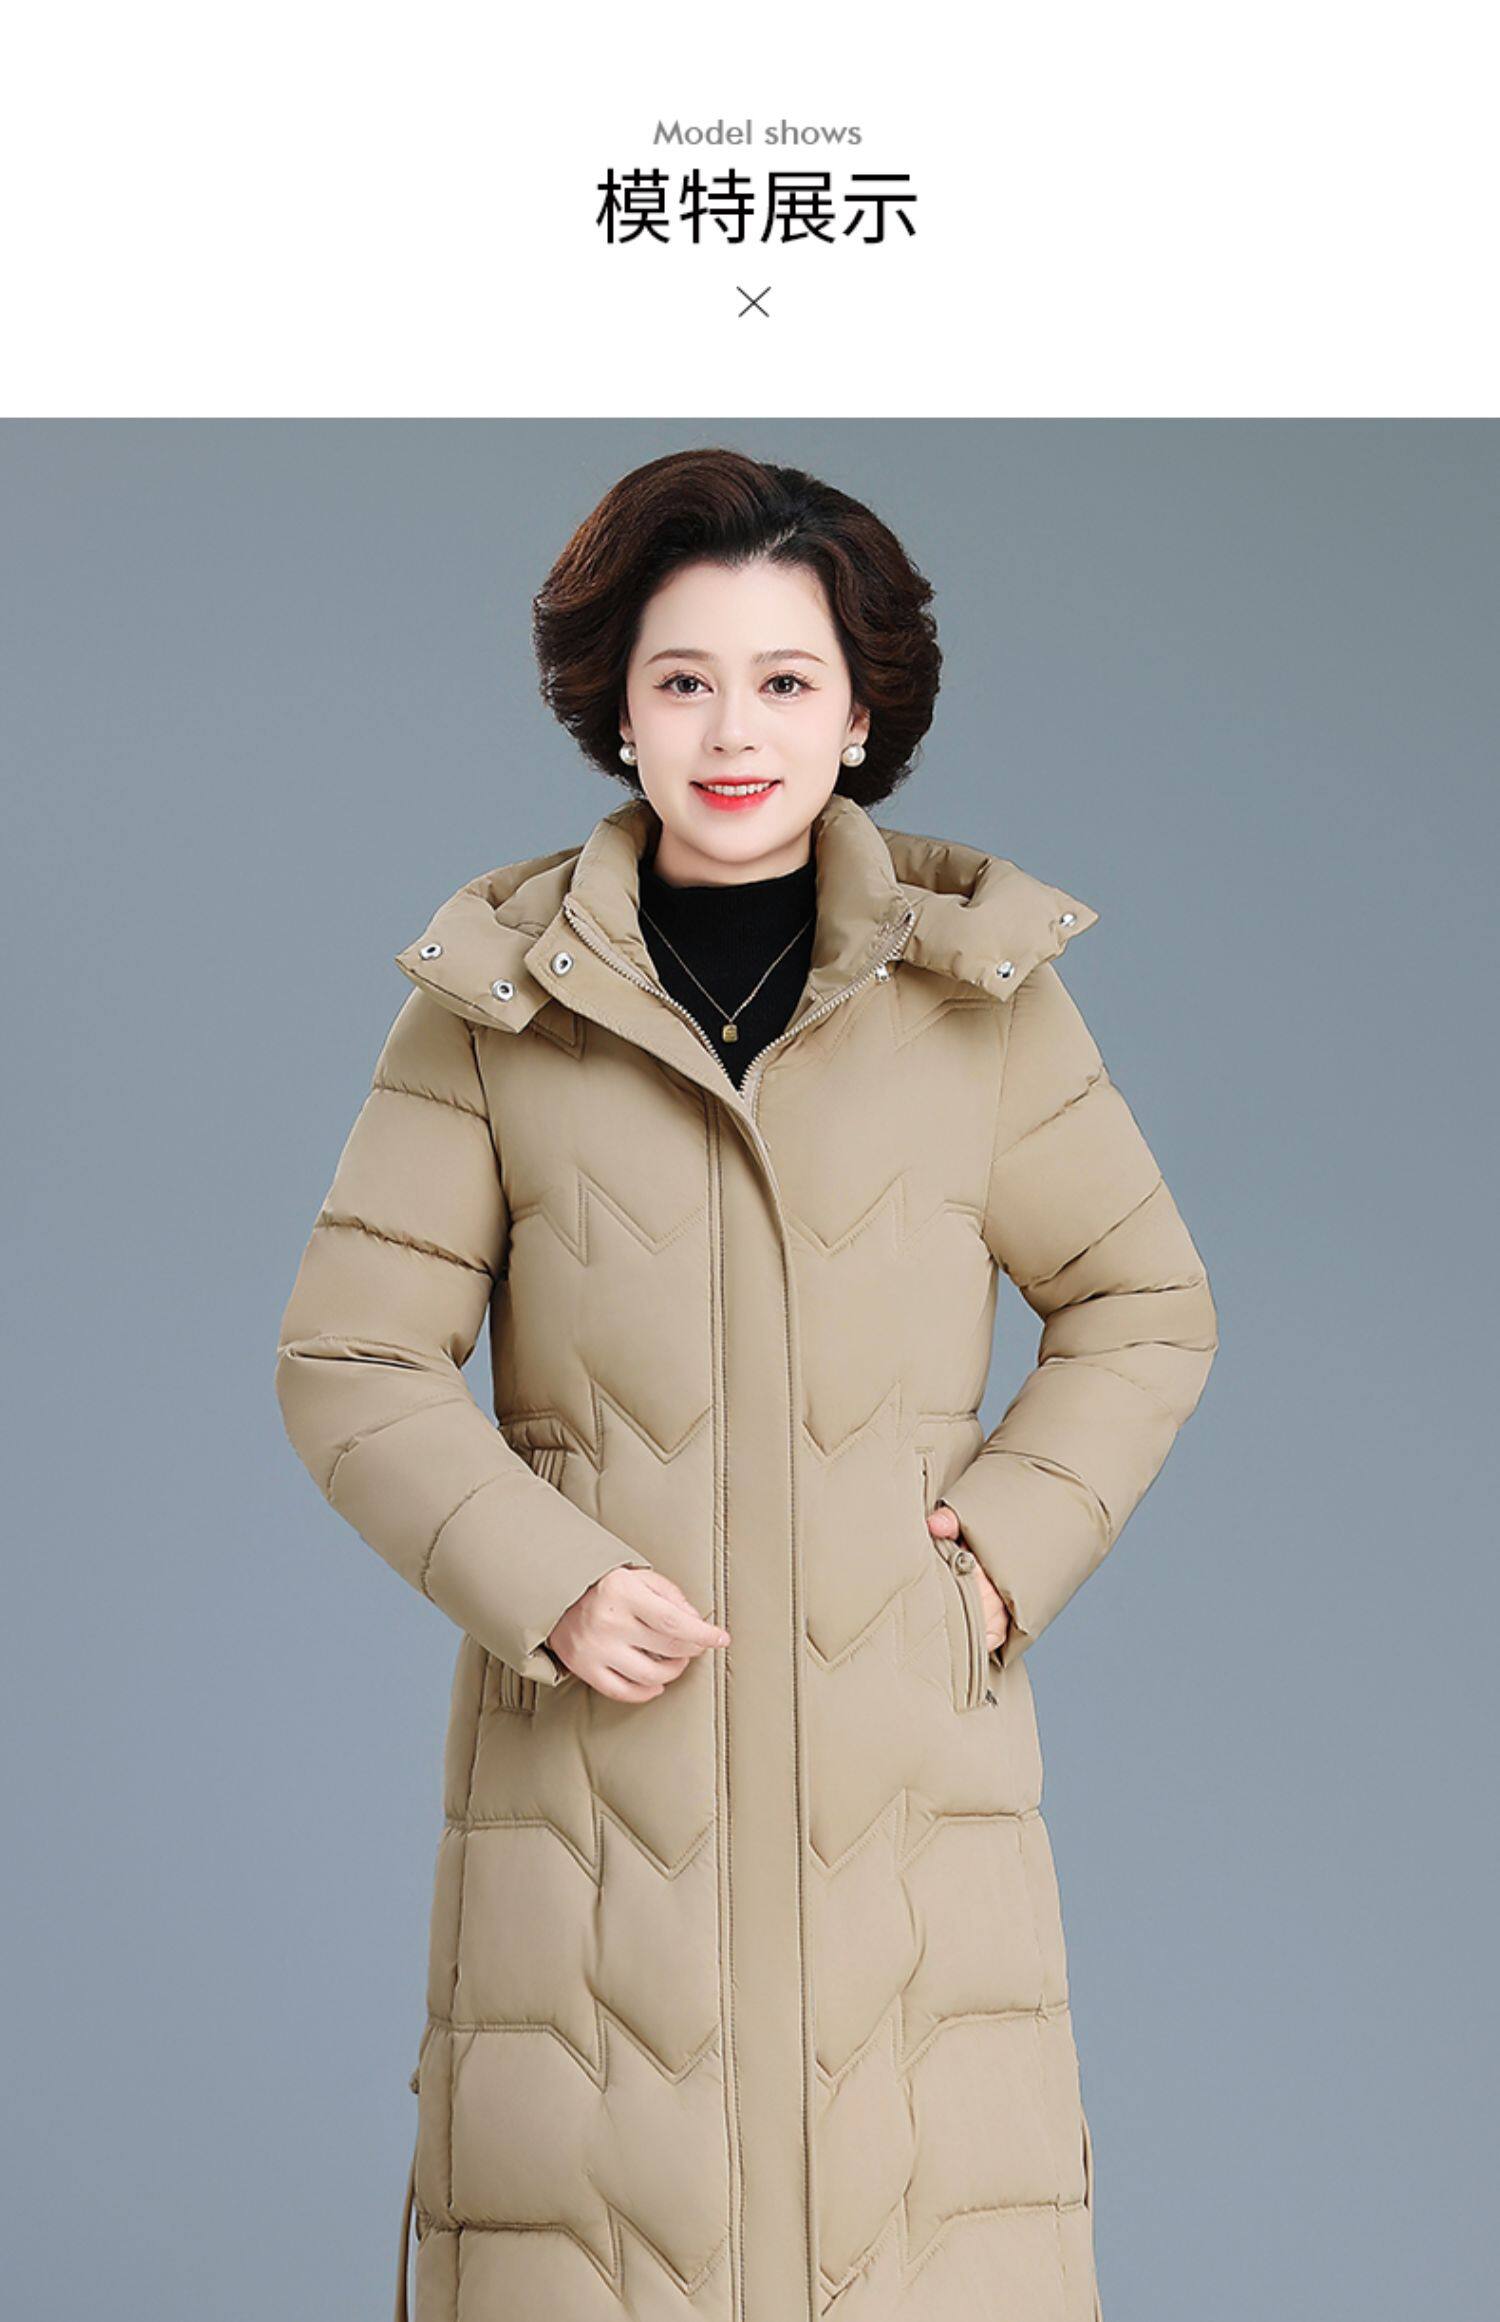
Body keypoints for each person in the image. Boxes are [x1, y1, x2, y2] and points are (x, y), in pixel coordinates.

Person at [275, 447, 1219, 2322]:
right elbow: (351, 1352)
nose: (732, 730)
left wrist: (996, 1559)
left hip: (907, 1806)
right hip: (593, 1821)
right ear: (616, 709)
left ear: (861, 714)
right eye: (684, 678)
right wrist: (548, 1577)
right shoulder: (496, 1007)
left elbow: (1142, 1300)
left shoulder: (982, 1001)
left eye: (785, 680)